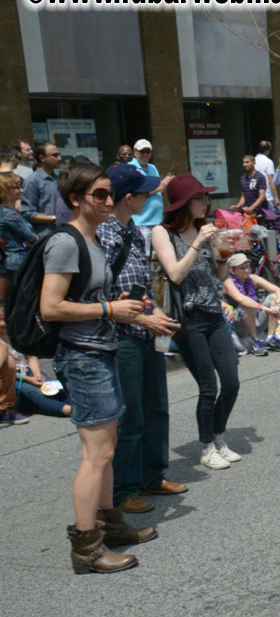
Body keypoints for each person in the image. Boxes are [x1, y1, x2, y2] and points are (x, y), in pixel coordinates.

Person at [39, 161, 154, 572]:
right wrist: (108, 309)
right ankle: (86, 546)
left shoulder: (92, 240)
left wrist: (119, 304)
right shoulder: (66, 242)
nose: (108, 201)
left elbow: (85, 299)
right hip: (82, 356)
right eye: (99, 195)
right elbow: (51, 306)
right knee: (96, 454)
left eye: (110, 194)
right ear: (75, 199)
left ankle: (110, 524)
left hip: (99, 351)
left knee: (107, 448)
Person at [98, 162, 185, 514]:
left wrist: (155, 311)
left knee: (157, 408)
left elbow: (143, 281)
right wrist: (143, 317)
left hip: (147, 330)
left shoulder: (133, 229)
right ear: (128, 198)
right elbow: (100, 293)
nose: (150, 196)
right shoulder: (103, 235)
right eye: (144, 192)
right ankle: (125, 488)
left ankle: (152, 475)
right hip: (123, 335)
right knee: (131, 416)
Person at [152, 175, 243, 471]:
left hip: (213, 314)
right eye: (200, 197)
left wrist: (223, 255)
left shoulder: (203, 229)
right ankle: (206, 448)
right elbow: (175, 275)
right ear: (183, 202)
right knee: (208, 386)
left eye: (206, 197)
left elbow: (218, 277)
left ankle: (218, 437)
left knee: (231, 382)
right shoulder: (163, 233)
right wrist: (199, 243)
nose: (206, 203)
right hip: (188, 319)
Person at [223, 252, 280, 354]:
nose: (246, 270)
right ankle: (255, 341)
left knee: (273, 297)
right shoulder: (228, 282)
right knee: (247, 304)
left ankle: (270, 338)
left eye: (247, 267)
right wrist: (266, 309)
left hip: (255, 318)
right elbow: (242, 300)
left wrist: (277, 307)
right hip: (239, 324)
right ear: (233, 271)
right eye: (242, 268)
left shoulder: (252, 278)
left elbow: (279, 291)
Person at [130, 139, 174, 255]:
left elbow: (158, 190)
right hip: (142, 223)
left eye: (148, 152)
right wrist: (160, 187)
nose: (145, 155)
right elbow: (137, 194)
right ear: (135, 152)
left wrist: (166, 185)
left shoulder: (152, 167)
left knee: (161, 255)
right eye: (142, 151)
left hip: (157, 221)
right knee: (145, 256)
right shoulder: (131, 168)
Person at [0, 172, 36, 309]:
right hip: (15, 261)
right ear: (5, 190)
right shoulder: (8, 214)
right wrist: (30, 242)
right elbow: (31, 237)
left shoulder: (10, 211)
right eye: (16, 188)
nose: (21, 190)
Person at [21, 142, 61, 238]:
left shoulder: (57, 179)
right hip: (44, 236)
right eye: (54, 155)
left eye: (59, 155)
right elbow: (28, 213)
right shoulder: (32, 181)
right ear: (42, 158)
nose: (59, 158)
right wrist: (54, 218)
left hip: (61, 233)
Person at [255, 140, 277, 207]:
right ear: (267, 150)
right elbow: (270, 181)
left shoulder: (253, 161)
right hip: (267, 196)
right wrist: (276, 197)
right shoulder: (268, 162)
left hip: (255, 196)